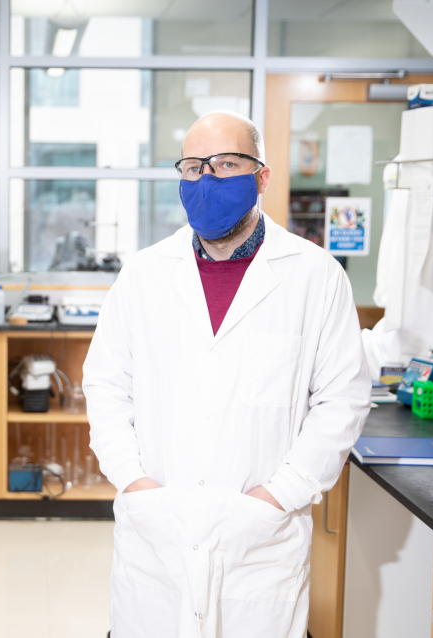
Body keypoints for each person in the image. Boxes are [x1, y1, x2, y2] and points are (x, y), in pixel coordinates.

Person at [83, 111, 371, 637]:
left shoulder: (314, 276)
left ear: (262, 176)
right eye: (193, 167)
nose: (207, 179)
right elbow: (105, 386)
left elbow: (342, 401)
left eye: (226, 163)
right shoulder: (144, 274)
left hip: (259, 540)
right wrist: (133, 481)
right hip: (158, 530)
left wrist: (282, 494)